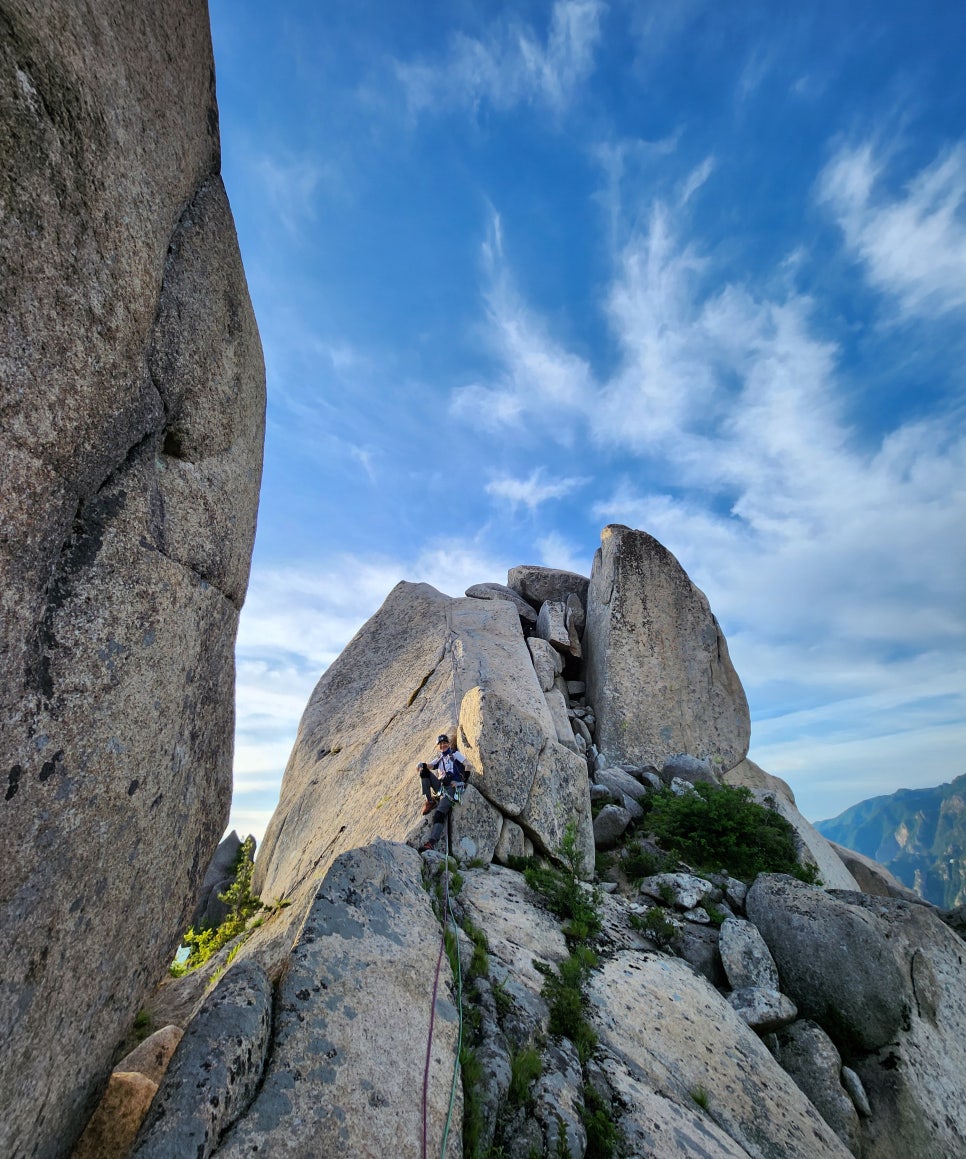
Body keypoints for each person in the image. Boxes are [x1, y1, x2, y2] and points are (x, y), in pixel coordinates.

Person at [418, 734, 467, 852]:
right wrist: (421, 765)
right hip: (441, 787)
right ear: (438, 747)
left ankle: (431, 842)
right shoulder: (439, 758)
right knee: (424, 771)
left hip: (451, 787)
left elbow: (468, 765)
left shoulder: (455, 755)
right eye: (440, 744)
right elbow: (430, 766)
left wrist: (460, 783)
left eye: (445, 742)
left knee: (439, 814)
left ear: (449, 744)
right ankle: (429, 800)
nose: (443, 745)